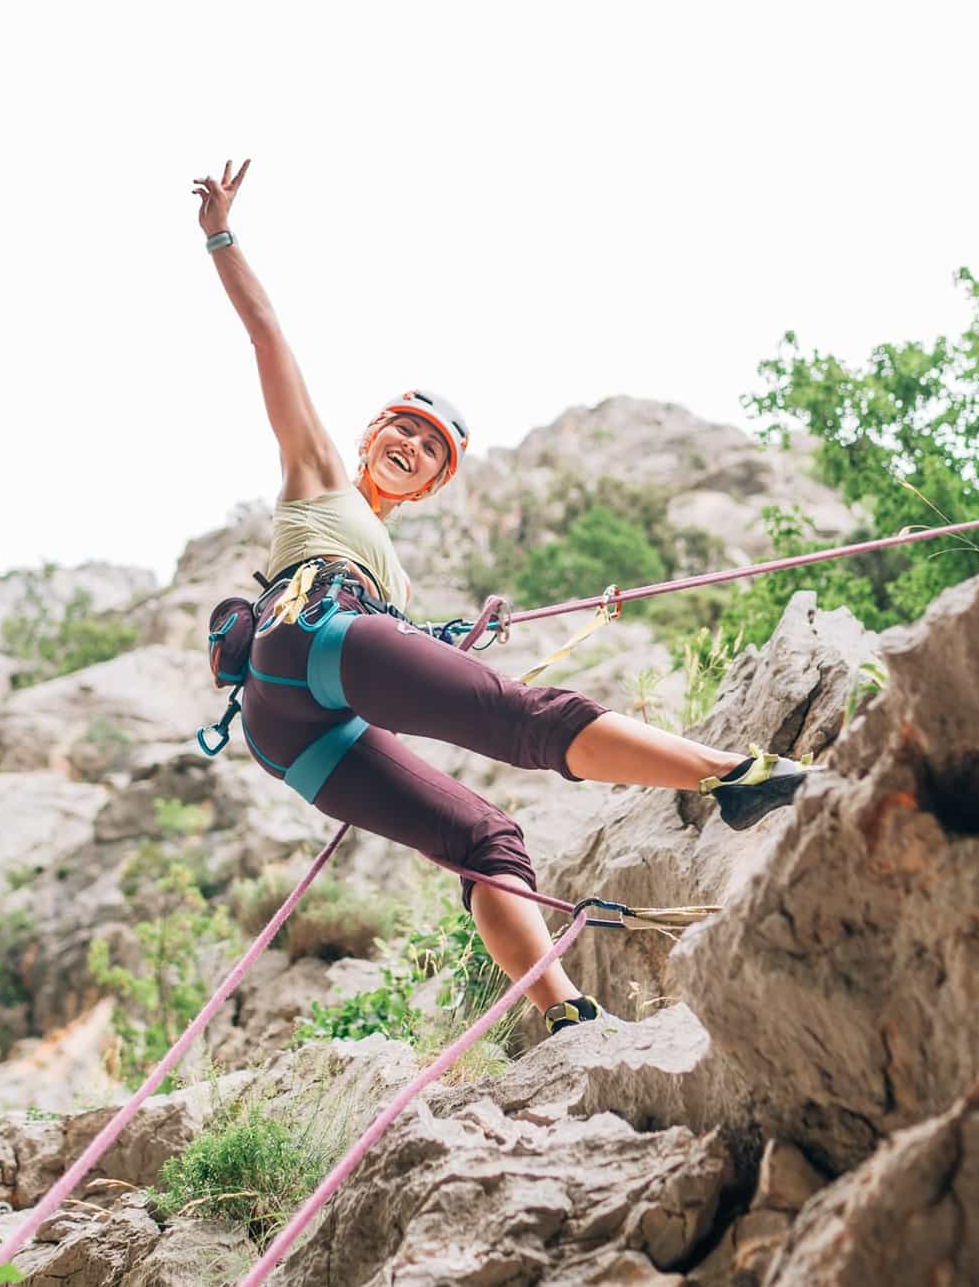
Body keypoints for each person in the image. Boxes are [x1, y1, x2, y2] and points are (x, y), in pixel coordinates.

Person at [193, 160, 809, 1035]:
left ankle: (565, 1017)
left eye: (431, 447)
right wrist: (222, 235)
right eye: (402, 428)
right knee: (527, 719)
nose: (411, 443)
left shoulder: (394, 582)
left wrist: (429, 640)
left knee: (488, 841)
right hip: (312, 636)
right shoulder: (318, 477)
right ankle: (734, 776)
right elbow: (269, 340)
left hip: (297, 732)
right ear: (370, 438)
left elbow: (402, 671)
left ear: (436, 483)